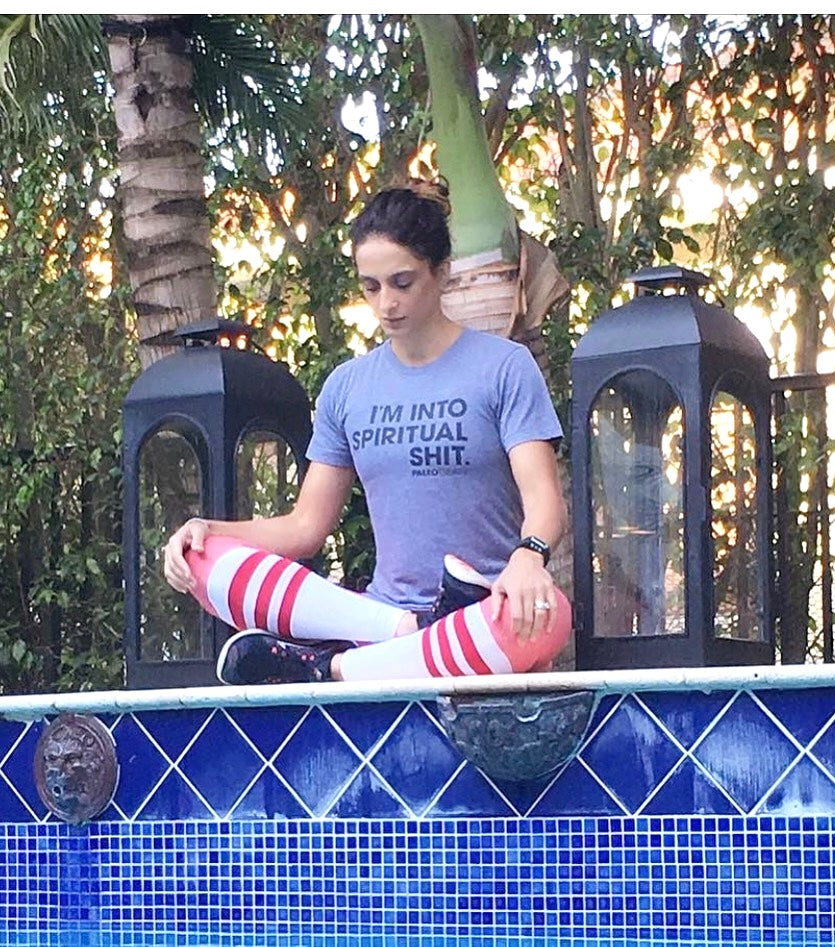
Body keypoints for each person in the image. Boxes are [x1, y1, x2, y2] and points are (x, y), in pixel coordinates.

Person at [162, 180, 571, 684]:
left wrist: (529, 559)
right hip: (381, 620)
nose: (386, 304)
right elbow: (305, 527)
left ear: (441, 273)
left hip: (486, 613)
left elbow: (545, 501)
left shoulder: (505, 368)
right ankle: (410, 632)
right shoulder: (348, 387)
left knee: (548, 618)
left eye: (403, 282)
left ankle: (328, 669)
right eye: (371, 286)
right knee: (204, 559)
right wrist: (208, 530)